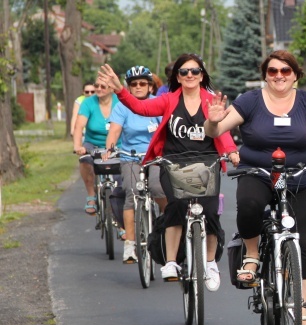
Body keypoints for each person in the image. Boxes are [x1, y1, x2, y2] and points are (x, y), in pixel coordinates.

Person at [204, 50, 306, 325]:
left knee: (301, 244)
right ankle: (252, 255)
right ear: (266, 73)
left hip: (296, 177)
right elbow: (215, 130)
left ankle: (301, 311)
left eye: (285, 71)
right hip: (258, 174)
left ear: (295, 75)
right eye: (273, 70)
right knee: (250, 206)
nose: (279, 76)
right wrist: (213, 121)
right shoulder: (251, 100)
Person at [98, 53, 238, 292]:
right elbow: (140, 107)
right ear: (178, 77)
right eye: (184, 72)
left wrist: (232, 151)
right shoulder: (169, 100)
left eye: (195, 71)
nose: (190, 75)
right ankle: (172, 262)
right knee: (175, 206)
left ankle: (210, 263)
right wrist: (121, 90)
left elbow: (221, 130)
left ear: (202, 75)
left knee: (212, 212)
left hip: (206, 162)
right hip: (173, 162)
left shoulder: (211, 100)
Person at [103, 65, 167, 264]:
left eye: (142, 83)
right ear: (128, 87)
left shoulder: (157, 103)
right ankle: (130, 245)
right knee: (131, 193)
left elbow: (166, 129)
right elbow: (114, 131)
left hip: (155, 156)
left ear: (150, 86)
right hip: (130, 157)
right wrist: (109, 149)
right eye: (133, 84)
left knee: (159, 189)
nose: (138, 87)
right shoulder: (122, 106)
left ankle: (166, 226)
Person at [73, 78, 120, 215]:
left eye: (103, 86)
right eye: (96, 85)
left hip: (118, 143)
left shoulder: (120, 102)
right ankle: (91, 196)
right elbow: (79, 126)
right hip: (92, 143)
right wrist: (77, 146)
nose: (98, 89)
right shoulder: (88, 102)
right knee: (85, 160)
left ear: (111, 88)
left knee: (120, 180)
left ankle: (120, 220)